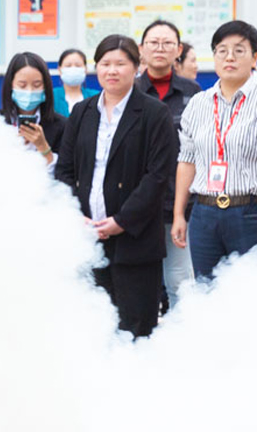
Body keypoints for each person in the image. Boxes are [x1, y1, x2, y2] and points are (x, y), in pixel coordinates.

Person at [54, 35, 177, 337]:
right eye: (105, 63)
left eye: (120, 63)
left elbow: (158, 176)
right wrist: (74, 215)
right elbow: (65, 169)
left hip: (135, 240)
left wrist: (122, 221)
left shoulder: (153, 113)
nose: (112, 70)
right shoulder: (82, 112)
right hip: (87, 237)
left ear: (136, 67)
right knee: (93, 328)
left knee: (135, 328)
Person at [172, 21, 257, 281]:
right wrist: (179, 214)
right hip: (204, 213)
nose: (229, 57)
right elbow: (186, 161)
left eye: (239, 50)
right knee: (207, 292)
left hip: (251, 213)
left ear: (255, 57)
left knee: (252, 296)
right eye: (222, 50)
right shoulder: (198, 104)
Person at [135, 19, 202, 309]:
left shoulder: (193, 91)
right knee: (142, 282)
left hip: (181, 202)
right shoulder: (130, 89)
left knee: (179, 281)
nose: (160, 48)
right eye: (153, 42)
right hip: (138, 203)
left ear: (178, 50)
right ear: (141, 49)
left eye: (167, 43)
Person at [0, 51, 64, 167]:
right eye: (22, 85)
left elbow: (65, 175)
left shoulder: (62, 126)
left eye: (37, 85)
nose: (29, 91)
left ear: (45, 87)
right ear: (11, 85)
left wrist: (43, 147)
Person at [54, 48, 98, 117]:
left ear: (85, 69)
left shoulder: (95, 96)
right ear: (59, 70)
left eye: (78, 66)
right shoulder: (51, 96)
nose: (73, 69)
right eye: (68, 66)